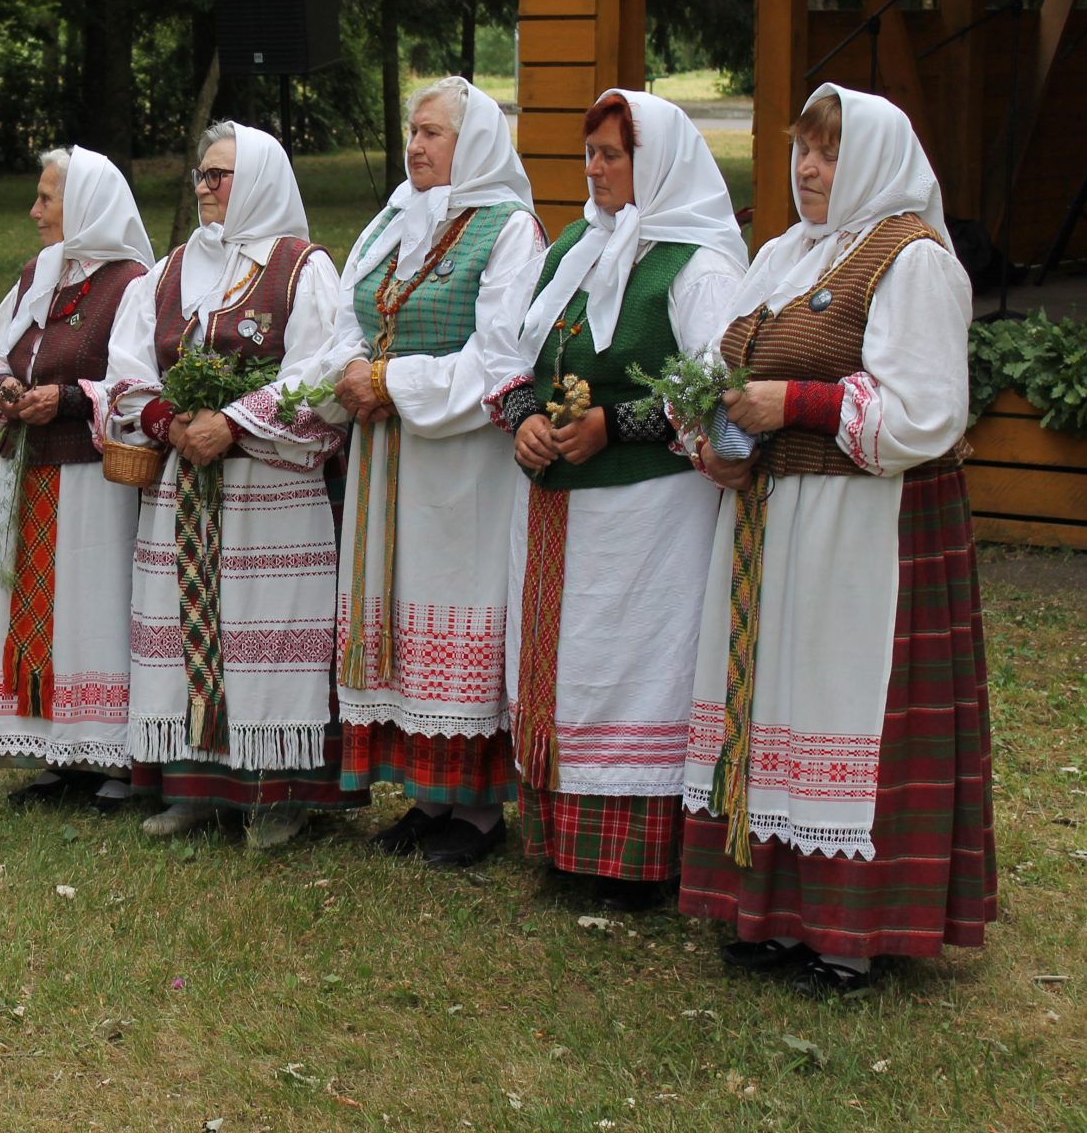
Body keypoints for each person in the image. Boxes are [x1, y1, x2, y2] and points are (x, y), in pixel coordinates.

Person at [678, 85, 996, 995]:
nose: (808, 168)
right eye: (801, 150)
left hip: (867, 533)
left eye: (828, 152)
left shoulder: (911, 259)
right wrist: (718, 440)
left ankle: (852, 936)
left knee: (844, 714)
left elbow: (923, 413)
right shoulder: (784, 253)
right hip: (774, 521)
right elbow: (716, 370)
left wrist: (794, 405)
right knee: (777, 709)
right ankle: (777, 917)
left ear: (877, 161)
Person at [485, 90, 746, 909]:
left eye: (612, 155)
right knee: (567, 670)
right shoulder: (574, 246)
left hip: (651, 513)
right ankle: (567, 845)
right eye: (589, 154)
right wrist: (526, 420)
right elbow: (518, 357)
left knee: (631, 671)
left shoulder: (696, 264)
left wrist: (616, 422)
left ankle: (637, 862)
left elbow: (716, 388)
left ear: (655, 162)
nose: (595, 169)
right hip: (560, 503)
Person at [105, 121, 362, 848]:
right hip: (183, 484)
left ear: (260, 181)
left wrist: (236, 423)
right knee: (188, 624)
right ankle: (195, 785)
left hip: (268, 489)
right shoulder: (171, 269)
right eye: (202, 175)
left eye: (221, 175)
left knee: (269, 631)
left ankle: (279, 790)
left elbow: (323, 369)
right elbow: (124, 370)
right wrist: (170, 421)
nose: (206, 186)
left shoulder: (301, 268)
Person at [320, 78, 545, 863]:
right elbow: (346, 311)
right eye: (412, 131)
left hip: (461, 467)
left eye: (433, 133)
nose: (415, 146)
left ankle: (476, 813)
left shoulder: (508, 230)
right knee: (401, 610)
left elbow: (502, 357)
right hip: (389, 458)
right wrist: (352, 369)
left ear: (474, 142)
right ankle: (426, 798)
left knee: (454, 605)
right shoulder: (393, 219)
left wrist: (392, 384)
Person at [0, 146, 152, 808]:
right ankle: (53, 749)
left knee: (92, 608)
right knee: (37, 606)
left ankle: (111, 758)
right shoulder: (41, 274)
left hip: (95, 482)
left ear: (88, 206)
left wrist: (69, 399)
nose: (35, 211)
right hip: (33, 470)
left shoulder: (132, 283)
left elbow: (135, 382)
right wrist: (11, 388)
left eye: (48, 199)